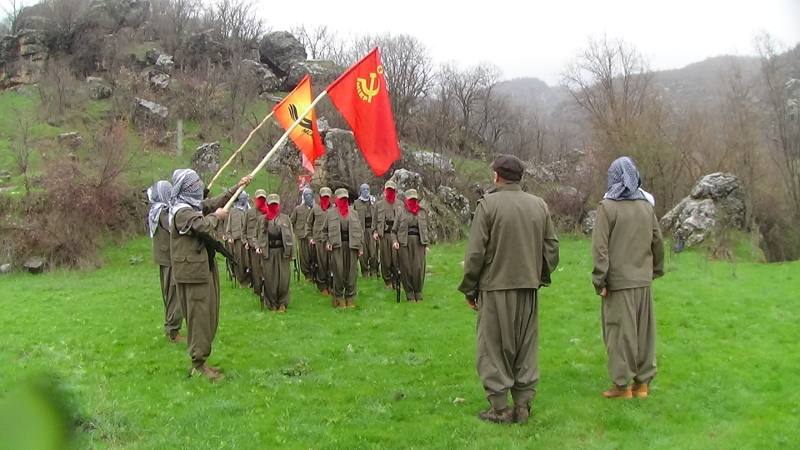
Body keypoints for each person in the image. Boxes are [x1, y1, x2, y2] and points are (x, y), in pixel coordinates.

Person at [457, 155, 559, 424]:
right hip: (528, 287)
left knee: (493, 346)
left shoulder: (488, 205)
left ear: (496, 176)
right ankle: (523, 406)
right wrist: (539, 276)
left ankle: (501, 409)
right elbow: (552, 248)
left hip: (495, 286)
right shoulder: (539, 205)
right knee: (525, 346)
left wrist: (470, 288)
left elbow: (476, 251)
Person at [592, 156, 665, 399]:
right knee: (644, 334)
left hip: (619, 282)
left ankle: (622, 387)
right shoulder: (646, 206)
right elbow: (658, 241)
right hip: (643, 280)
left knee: (619, 333)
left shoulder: (608, 207)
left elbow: (600, 249)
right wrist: (655, 270)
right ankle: (642, 384)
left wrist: (600, 280)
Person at [169, 169, 252, 381]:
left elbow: (213, 203)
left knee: (208, 315)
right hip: (192, 273)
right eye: (194, 184)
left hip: (201, 268)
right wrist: (217, 217)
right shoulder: (181, 212)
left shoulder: (191, 207)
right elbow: (203, 224)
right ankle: (198, 364)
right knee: (199, 317)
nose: (198, 186)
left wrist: (237, 187)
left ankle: (202, 360)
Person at [146, 180, 184, 343]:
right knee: (175, 295)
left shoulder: (157, 210)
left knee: (170, 294)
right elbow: (176, 226)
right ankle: (173, 331)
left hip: (164, 259)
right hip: (170, 259)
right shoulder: (163, 212)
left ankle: (171, 328)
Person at [323, 188, 363, 308]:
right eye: (341, 199)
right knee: (338, 272)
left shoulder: (353, 212)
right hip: (337, 246)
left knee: (351, 273)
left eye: (345, 199)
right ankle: (338, 297)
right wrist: (327, 242)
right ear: (337, 199)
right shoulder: (331, 213)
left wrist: (360, 248)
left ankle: (350, 297)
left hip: (351, 245)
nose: (343, 201)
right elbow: (324, 231)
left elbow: (360, 231)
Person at [255, 194, 295, 312]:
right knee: (270, 278)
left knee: (283, 278)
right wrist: (257, 246)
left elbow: (291, 238)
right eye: (271, 205)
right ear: (267, 205)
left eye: (275, 205)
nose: (274, 207)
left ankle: (282, 302)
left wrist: (292, 254)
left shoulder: (285, 219)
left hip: (283, 252)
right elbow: (255, 236)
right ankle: (272, 303)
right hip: (268, 252)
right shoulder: (262, 220)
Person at [391, 189, 430, 302]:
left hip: (419, 243)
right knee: (406, 268)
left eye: (414, 199)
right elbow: (394, 230)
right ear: (406, 200)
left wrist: (426, 244)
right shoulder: (401, 212)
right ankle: (409, 293)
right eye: (410, 199)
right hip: (405, 243)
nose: (412, 201)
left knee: (418, 268)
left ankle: (418, 292)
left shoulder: (422, 212)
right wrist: (395, 241)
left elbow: (426, 229)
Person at [306, 187, 333, 297]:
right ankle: (322, 286)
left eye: (327, 197)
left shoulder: (334, 209)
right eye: (323, 197)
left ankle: (331, 285)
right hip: (319, 241)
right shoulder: (315, 209)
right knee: (321, 264)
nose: (325, 199)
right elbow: (309, 224)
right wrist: (310, 237)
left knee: (331, 264)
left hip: (331, 241)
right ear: (320, 197)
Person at [373, 180, 400, 290]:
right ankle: (388, 281)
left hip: (396, 236)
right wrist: (375, 232)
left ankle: (396, 279)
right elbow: (374, 221)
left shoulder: (400, 205)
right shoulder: (379, 205)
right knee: (385, 259)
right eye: (388, 190)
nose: (389, 192)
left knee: (396, 259)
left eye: (391, 190)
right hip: (384, 235)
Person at [224, 190, 250, 287]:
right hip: (236, 241)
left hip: (247, 240)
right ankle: (242, 280)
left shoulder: (248, 210)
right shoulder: (233, 211)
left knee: (248, 260)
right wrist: (229, 237)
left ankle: (249, 279)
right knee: (238, 261)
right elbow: (228, 227)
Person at [290, 188, 316, 282]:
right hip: (302, 236)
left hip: (313, 236)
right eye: (306, 195)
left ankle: (315, 274)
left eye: (310, 194)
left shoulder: (316, 208)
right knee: (304, 256)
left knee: (314, 255)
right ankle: (307, 275)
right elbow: (291, 222)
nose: (308, 197)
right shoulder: (298, 209)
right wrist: (292, 232)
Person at [245, 190, 267, 299]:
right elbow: (244, 229)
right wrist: (245, 242)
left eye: (263, 198)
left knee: (266, 267)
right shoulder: (249, 213)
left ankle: (267, 288)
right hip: (253, 245)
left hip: (265, 245)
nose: (261, 200)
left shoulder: (268, 212)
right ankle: (257, 289)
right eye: (259, 198)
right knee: (255, 268)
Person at [354, 183, 378, 278]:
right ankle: (365, 272)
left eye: (367, 189)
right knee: (363, 253)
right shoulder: (356, 203)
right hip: (361, 231)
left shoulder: (373, 202)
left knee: (373, 251)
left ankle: (374, 270)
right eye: (364, 189)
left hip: (371, 229)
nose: (366, 191)